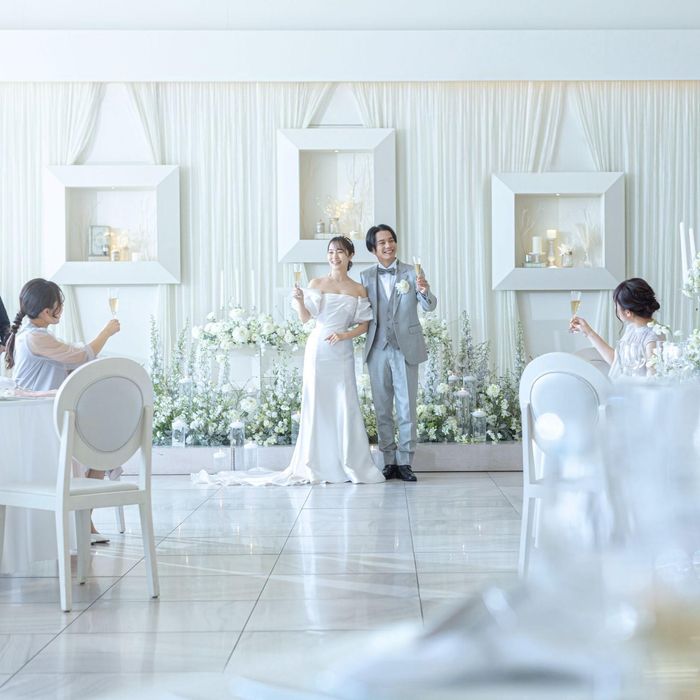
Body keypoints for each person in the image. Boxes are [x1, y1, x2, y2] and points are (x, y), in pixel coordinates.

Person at [194, 236, 384, 485]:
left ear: (350, 256)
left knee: (344, 401)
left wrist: (344, 335)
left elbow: (365, 325)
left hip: (342, 351)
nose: (334, 256)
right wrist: (299, 300)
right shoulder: (317, 283)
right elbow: (306, 318)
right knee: (317, 402)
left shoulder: (358, 289)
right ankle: (316, 463)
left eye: (340, 252)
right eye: (330, 252)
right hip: (319, 350)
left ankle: (347, 462)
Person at [5, 278, 121, 541]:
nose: (61, 309)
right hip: (41, 416)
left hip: (46, 411)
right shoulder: (36, 338)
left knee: (100, 443)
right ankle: (84, 521)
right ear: (47, 311)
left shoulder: (34, 335)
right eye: (59, 305)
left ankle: (84, 519)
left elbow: (69, 359)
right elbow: (80, 356)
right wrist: (106, 332)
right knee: (101, 445)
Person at [360, 225, 437, 482]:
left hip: (406, 348)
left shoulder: (412, 272)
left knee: (406, 407)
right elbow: (359, 310)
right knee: (382, 408)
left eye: (391, 240)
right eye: (382, 242)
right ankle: (388, 461)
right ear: (373, 248)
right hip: (377, 348)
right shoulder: (365, 276)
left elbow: (429, 306)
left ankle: (405, 462)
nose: (388, 245)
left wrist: (424, 291)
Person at [570, 277, 663, 378]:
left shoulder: (652, 338)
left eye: (617, 305)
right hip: (617, 385)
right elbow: (617, 363)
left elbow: (652, 381)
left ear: (628, 312)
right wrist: (588, 331)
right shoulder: (632, 328)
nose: (615, 308)